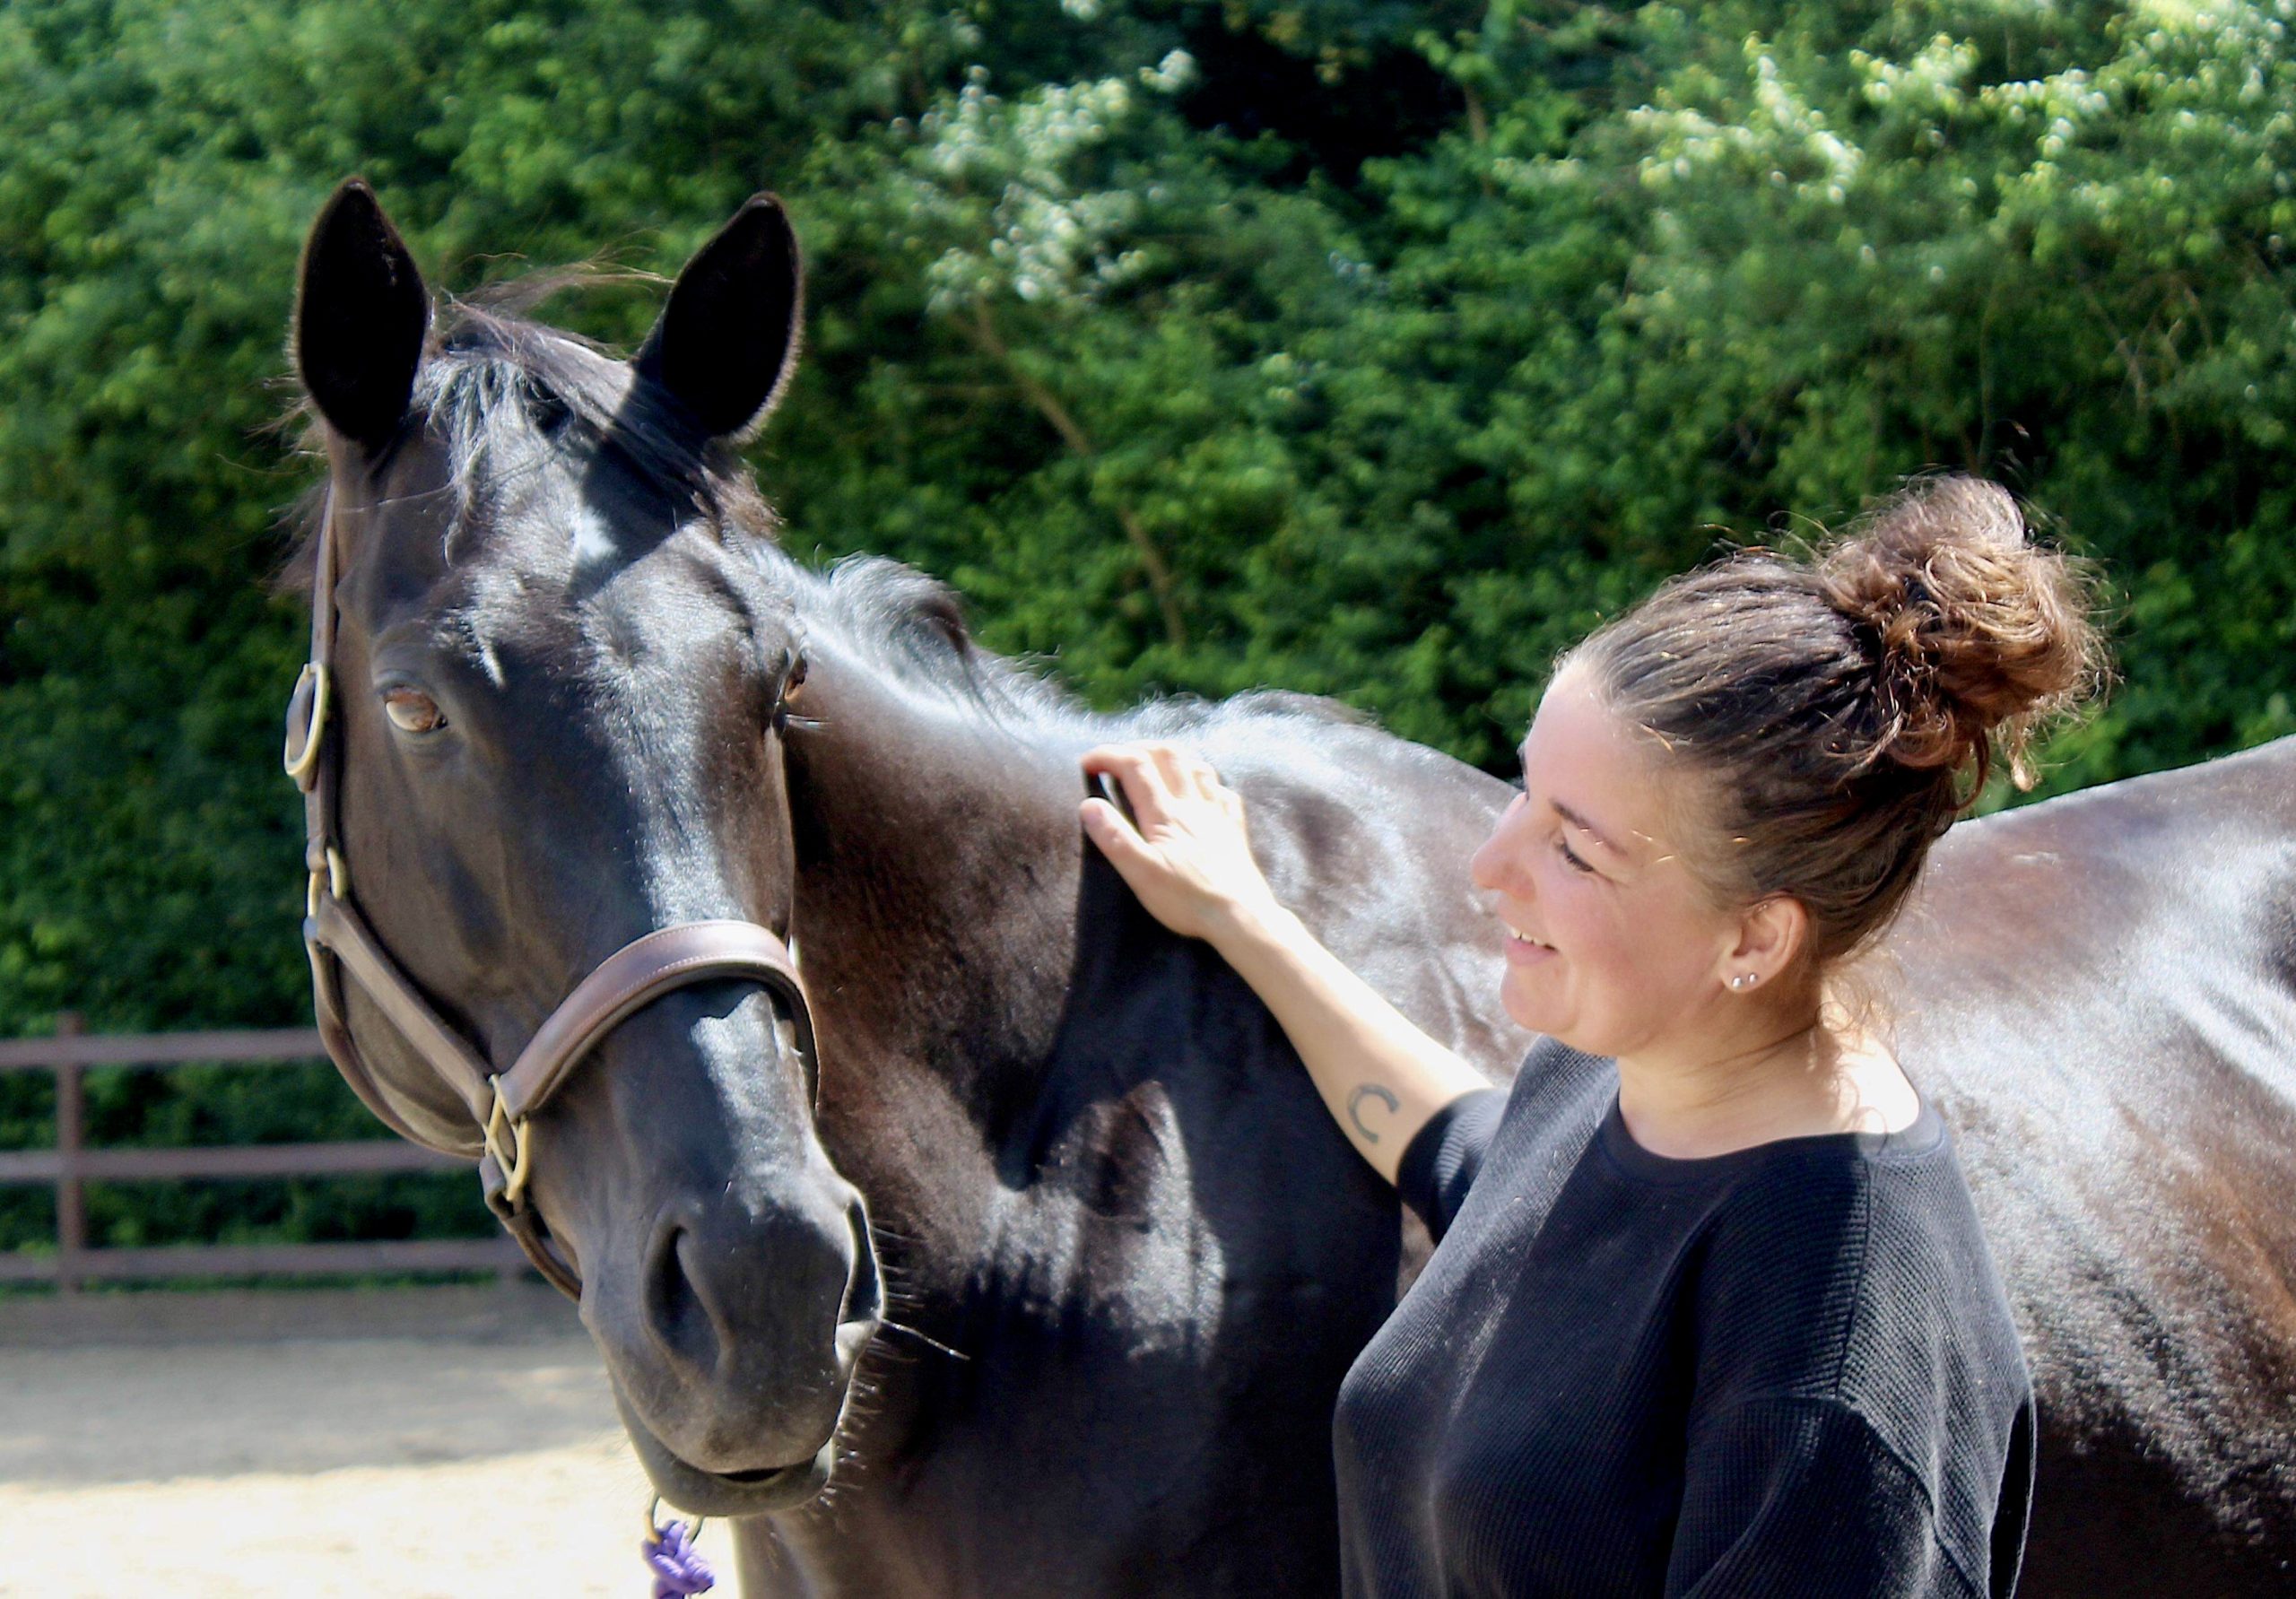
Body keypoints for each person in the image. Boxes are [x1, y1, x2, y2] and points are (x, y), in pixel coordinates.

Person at [1078, 478, 2101, 1598]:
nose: (1488, 865)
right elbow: (1473, 1156)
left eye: (1576, 851)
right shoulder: (1628, 1069)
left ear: (1753, 936)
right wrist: (1245, 916)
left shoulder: (1831, 1358)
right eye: (1526, 789)